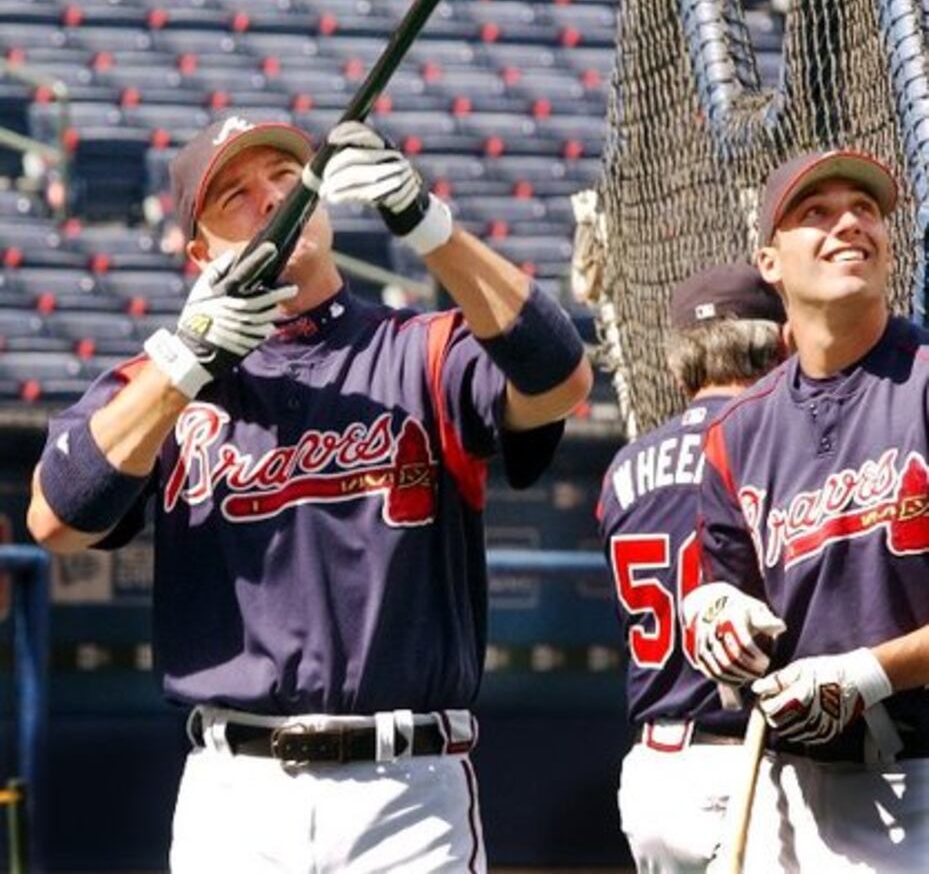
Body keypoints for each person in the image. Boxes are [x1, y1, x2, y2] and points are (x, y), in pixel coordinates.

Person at [26, 114, 593, 874]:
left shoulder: (423, 349)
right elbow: (56, 518)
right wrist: (185, 364)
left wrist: (429, 226)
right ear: (201, 252)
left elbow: (562, 379)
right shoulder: (160, 388)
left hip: (408, 787)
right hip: (236, 788)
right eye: (234, 195)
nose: (269, 199)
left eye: (287, 179)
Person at [687, 148, 929, 872]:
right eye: (816, 213)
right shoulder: (738, 431)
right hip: (789, 795)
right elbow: (726, 594)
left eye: (865, 210)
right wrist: (716, 620)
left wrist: (872, 672)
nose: (849, 224)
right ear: (769, 261)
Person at [597, 261, 786, 873]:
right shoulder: (781, 446)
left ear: (681, 361)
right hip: (756, 760)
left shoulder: (623, 467)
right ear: (779, 348)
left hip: (657, 770)